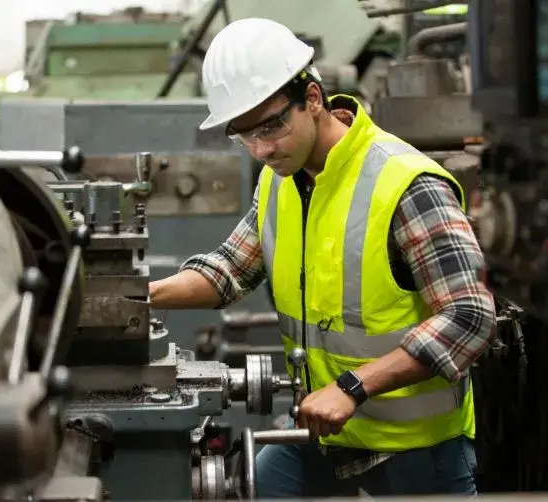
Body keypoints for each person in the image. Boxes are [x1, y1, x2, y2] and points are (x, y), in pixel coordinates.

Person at [148, 17, 496, 498]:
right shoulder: (280, 180)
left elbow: (470, 317)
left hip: (413, 450)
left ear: (313, 99)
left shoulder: (405, 185)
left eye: (272, 126)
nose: (263, 148)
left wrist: (354, 387)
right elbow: (229, 269)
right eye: (244, 135)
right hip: (321, 433)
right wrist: (138, 299)